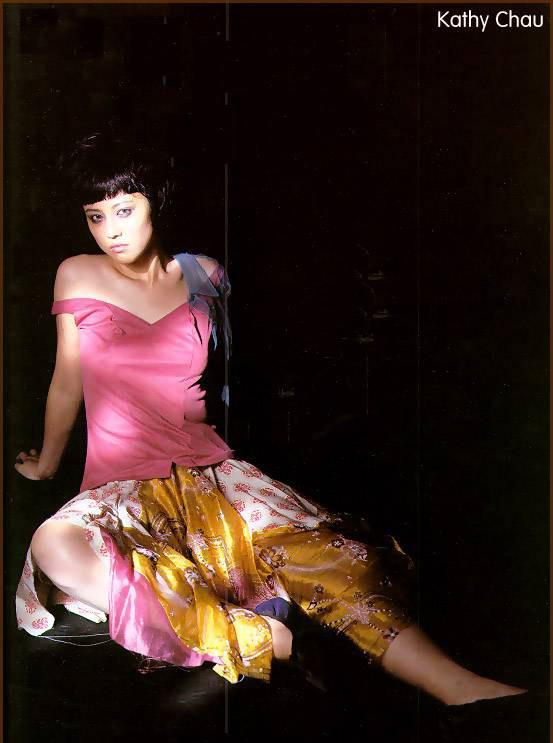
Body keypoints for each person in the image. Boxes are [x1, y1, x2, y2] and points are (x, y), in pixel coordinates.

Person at [14, 132, 526, 703]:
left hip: (210, 472)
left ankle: (455, 683)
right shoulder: (77, 273)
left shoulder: (205, 276)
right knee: (53, 544)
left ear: (157, 202)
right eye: (96, 216)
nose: (110, 230)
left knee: (328, 559)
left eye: (125, 210)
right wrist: (47, 464)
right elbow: (67, 381)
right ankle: (268, 639)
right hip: (124, 484)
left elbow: (219, 379)